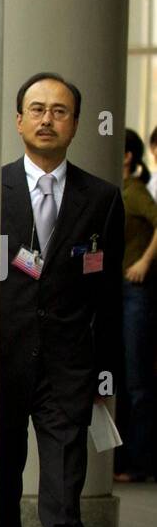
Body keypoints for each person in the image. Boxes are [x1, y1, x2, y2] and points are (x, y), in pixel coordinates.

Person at [0, 73, 124, 527]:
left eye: (61, 111)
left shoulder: (101, 199)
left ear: (76, 123)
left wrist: (105, 378)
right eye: (37, 110)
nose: (47, 120)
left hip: (69, 373)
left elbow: (109, 297)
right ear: (19, 120)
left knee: (61, 500)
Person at [116, 129, 157, 482]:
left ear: (128, 156)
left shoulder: (136, 192)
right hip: (114, 293)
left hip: (134, 292)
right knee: (118, 377)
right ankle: (122, 459)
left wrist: (144, 262)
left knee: (137, 381)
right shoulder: (111, 192)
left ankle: (140, 462)